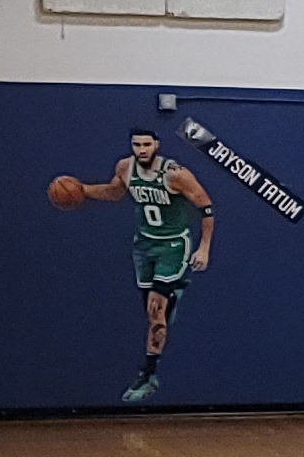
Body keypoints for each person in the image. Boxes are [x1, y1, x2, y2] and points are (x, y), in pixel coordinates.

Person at [69, 129, 213, 403]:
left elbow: (206, 206)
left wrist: (203, 247)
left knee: (156, 313)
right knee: (151, 311)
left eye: (147, 144)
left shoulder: (175, 174)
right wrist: (83, 190)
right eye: (137, 144)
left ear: (156, 145)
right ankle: (172, 290)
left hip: (173, 244)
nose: (142, 149)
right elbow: (114, 193)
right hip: (144, 244)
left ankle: (148, 373)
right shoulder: (125, 167)